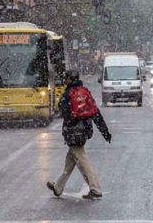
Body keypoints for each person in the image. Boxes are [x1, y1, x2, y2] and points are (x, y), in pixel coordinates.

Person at [46, 70, 111, 200]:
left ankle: (95, 188)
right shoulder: (84, 92)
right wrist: (105, 131)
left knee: (82, 159)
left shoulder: (68, 94)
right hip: (83, 131)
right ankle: (58, 187)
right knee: (70, 160)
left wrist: (70, 121)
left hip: (73, 132)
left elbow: (63, 112)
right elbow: (95, 113)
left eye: (66, 79)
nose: (65, 81)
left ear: (70, 79)